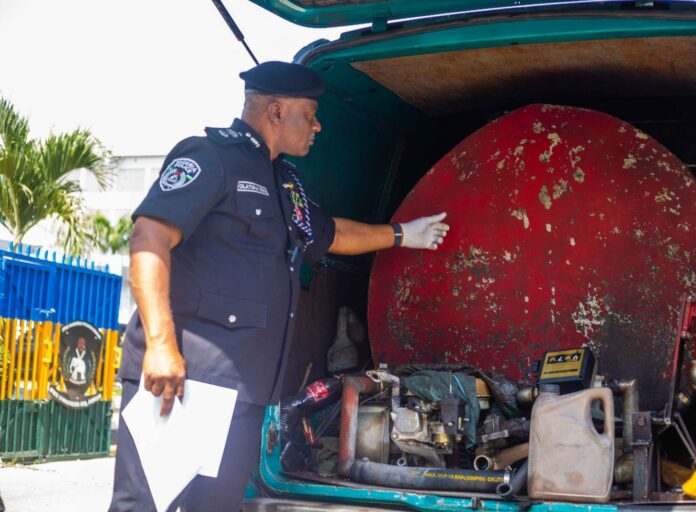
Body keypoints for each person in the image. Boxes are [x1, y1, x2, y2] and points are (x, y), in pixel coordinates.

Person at [109, 61, 449, 512]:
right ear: (275, 111)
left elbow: (332, 235)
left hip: (245, 396)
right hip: (186, 383)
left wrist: (404, 233)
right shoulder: (210, 158)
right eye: (309, 114)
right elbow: (149, 236)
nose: (318, 125)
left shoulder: (285, 182)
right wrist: (159, 344)